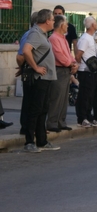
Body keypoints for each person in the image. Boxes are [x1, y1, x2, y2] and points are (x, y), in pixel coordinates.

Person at [22, 9, 60, 153]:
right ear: (47, 21)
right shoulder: (36, 33)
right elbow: (26, 50)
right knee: (35, 109)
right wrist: (36, 67)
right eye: (52, 19)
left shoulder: (42, 34)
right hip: (39, 78)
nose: (54, 22)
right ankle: (29, 141)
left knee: (43, 109)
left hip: (46, 77)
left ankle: (42, 141)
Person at [46, 15, 78, 132]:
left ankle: (61, 121)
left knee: (64, 97)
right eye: (66, 23)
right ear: (61, 25)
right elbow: (59, 55)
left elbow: (68, 54)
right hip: (59, 69)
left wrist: (74, 63)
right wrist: (71, 64)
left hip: (66, 69)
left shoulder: (63, 38)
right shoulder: (54, 38)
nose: (67, 26)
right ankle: (52, 122)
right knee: (57, 96)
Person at [16, 12, 38, 135]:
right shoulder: (30, 35)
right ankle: (26, 127)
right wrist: (23, 67)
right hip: (31, 72)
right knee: (30, 100)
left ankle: (30, 126)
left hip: (32, 70)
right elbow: (20, 56)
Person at [75, 16, 97, 127]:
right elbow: (78, 55)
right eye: (96, 22)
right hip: (85, 71)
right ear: (93, 25)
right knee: (85, 94)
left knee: (91, 94)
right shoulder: (85, 38)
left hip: (91, 71)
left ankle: (88, 115)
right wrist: (80, 66)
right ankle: (82, 117)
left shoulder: (91, 37)